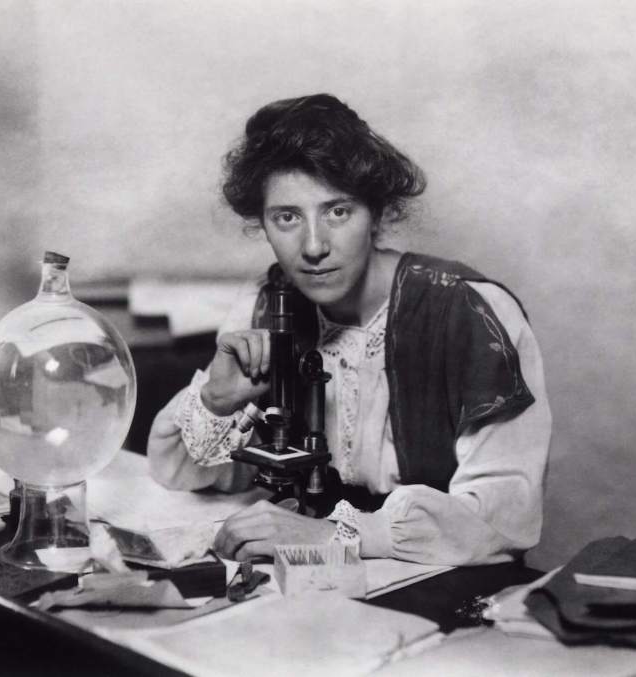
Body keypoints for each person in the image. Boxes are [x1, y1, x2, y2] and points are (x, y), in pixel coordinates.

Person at [147, 94, 551, 566]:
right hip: (314, 579)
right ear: (263, 224)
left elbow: (503, 520)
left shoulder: (469, 312)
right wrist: (216, 402)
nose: (314, 246)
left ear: (376, 214)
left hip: (444, 580)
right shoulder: (267, 303)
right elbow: (176, 473)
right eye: (287, 217)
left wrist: (335, 535)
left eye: (338, 211)